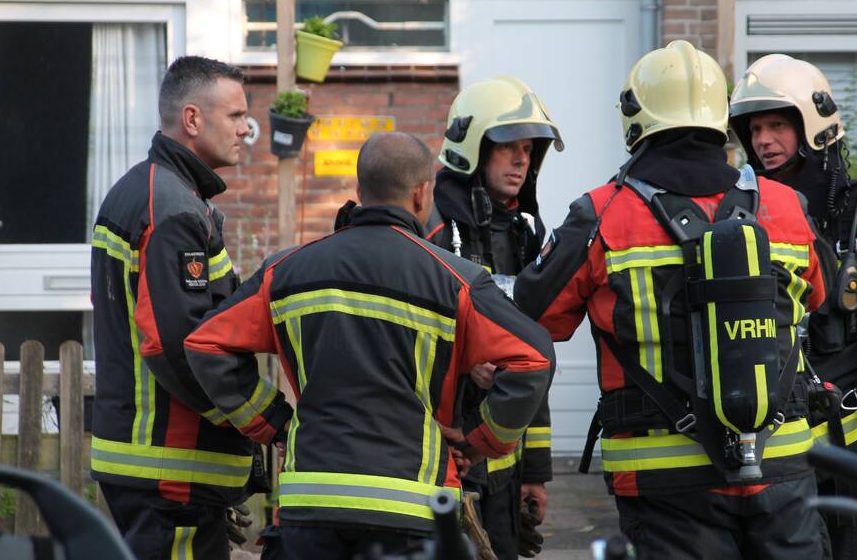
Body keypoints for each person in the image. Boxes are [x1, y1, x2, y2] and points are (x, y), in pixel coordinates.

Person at [514, 40, 829, 560]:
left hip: (662, 472)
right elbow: (819, 297)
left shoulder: (600, 213)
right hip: (782, 461)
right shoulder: (786, 205)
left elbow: (532, 318)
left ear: (635, 120)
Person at [183, 132, 556, 560]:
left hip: (311, 505)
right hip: (412, 508)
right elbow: (535, 357)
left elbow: (206, 344)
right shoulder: (456, 281)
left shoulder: (285, 271)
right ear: (421, 194)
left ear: (360, 192)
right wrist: (480, 439)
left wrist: (276, 423)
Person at [730, 54, 857, 560]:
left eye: (777, 124)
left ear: (815, 125)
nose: (762, 141)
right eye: (754, 128)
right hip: (779, 464)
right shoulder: (745, 223)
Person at [89, 56, 282, 560]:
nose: (247, 129)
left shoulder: (154, 192)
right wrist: (264, 418)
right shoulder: (171, 209)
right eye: (236, 116)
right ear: (193, 120)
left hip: (155, 462)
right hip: (171, 465)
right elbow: (180, 344)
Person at [426, 75, 562, 559]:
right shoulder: (433, 232)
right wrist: (465, 362)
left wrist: (536, 475)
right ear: (474, 149)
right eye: (508, 147)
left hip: (503, 469)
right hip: (444, 468)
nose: (522, 160)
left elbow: (535, 359)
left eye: (529, 149)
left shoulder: (523, 235)